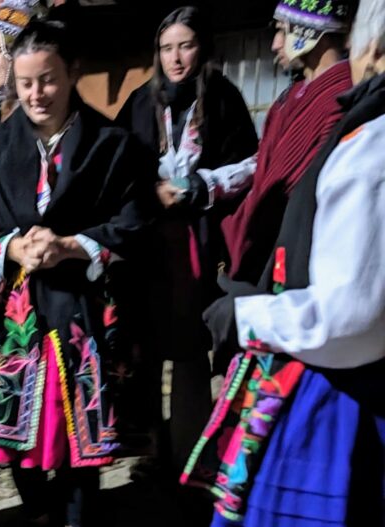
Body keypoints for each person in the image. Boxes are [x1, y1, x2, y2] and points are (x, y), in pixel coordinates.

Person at [184, 2, 385, 527]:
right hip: (340, 374)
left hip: (352, 405)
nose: (273, 43)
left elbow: (352, 315)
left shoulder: (370, 139)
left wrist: (253, 316)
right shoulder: (336, 112)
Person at [0, 19, 153, 527]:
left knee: (80, 438)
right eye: (25, 83)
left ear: (72, 74)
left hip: (82, 313)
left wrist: (73, 245)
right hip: (20, 316)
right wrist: (12, 248)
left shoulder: (112, 146)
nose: (35, 94)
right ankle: (42, 526)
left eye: (47, 80)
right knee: (19, 438)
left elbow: (133, 224)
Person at [118, 7, 257, 476]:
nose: (176, 58)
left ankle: (190, 457)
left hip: (199, 243)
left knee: (190, 348)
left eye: (186, 45)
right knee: (146, 348)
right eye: (167, 48)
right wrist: (148, 187)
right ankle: (154, 450)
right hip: (147, 246)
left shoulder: (223, 99)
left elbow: (251, 165)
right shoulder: (139, 103)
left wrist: (203, 184)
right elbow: (115, 165)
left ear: (203, 48)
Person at [214, 0, 353, 287]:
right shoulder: (293, 96)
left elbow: (300, 188)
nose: (276, 44)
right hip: (260, 243)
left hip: (295, 250)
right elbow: (264, 165)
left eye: (282, 30)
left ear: (308, 32)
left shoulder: (343, 97)